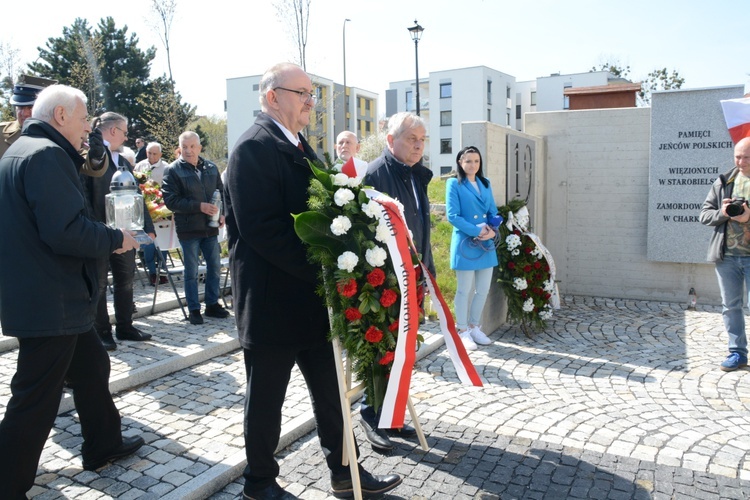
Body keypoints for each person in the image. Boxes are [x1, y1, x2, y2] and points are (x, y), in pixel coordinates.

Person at [225, 62, 402, 500]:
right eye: (302, 93)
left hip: (310, 301)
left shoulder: (304, 146)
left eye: (311, 94)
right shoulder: (252, 148)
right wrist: (326, 267)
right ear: (272, 97)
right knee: (266, 401)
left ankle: (346, 473)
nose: (311, 102)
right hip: (271, 303)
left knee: (330, 395)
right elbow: (262, 229)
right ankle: (259, 483)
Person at [0, 84, 144, 498]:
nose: (88, 131)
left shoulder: (20, 151)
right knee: (34, 399)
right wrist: (116, 238)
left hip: (48, 295)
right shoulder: (46, 156)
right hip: (52, 300)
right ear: (60, 115)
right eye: (84, 120)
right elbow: (65, 230)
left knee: (92, 367)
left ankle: (103, 443)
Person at [359, 111, 432, 451]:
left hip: (414, 277)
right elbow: (365, 236)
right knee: (381, 350)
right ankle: (372, 416)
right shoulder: (374, 175)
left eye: (422, 140)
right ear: (391, 140)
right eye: (411, 140)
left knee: (403, 350)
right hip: (385, 281)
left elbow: (422, 229)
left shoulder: (417, 175)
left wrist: (427, 273)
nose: (418, 146)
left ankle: (392, 414)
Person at [82, 111, 155, 350]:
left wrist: (147, 227)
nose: (126, 136)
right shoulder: (90, 156)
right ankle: (102, 331)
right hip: (100, 232)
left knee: (126, 280)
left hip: (126, 232)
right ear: (113, 130)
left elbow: (137, 196)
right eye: (124, 132)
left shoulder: (122, 161)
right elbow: (85, 196)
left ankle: (125, 326)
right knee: (100, 284)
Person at [162, 131, 230, 325]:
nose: (188, 151)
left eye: (192, 146)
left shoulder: (211, 167)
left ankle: (212, 304)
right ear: (179, 148)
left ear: (200, 148)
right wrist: (199, 206)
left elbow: (221, 192)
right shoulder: (173, 170)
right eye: (184, 147)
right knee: (191, 271)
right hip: (188, 229)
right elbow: (171, 200)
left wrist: (222, 212)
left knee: (215, 267)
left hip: (210, 227)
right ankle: (194, 309)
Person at [700, 136, 750, 372]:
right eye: (737, 157)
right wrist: (723, 213)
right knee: (730, 306)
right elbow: (704, 215)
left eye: (746, 157)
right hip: (727, 256)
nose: (740, 162)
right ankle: (737, 353)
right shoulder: (724, 181)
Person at [446, 146, 499, 351]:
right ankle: (462, 331)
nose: (472, 165)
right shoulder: (454, 183)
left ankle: (475, 326)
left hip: (486, 243)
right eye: (468, 161)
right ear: (460, 162)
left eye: (476, 161)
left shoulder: (486, 183)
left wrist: (493, 230)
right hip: (465, 242)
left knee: (483, 289)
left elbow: (493, 211)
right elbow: (453, 216)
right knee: (463, 289)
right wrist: (476, 231)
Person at [135, 141, 169, 284]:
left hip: (162, 211)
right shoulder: (140, 166)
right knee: (149, 242)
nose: (152, 156)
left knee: (163, 243)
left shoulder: (166, 168)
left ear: (160, 154)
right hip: (146, 210)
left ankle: (162, 271)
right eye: (149, 153)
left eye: (155, 153)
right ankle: (152, 273)